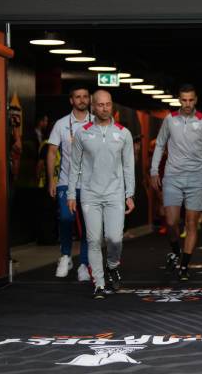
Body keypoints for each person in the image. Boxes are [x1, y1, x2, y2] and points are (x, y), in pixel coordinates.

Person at [67, 90, 135, 299]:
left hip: (115, 194)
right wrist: (71, 193)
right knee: (94, 239)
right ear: (93, 107)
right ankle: (99, 283)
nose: (105, 108)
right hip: (90, 194)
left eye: (108, 104)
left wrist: (129, 193)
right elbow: (74, 165)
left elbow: (128, 166)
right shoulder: (82, 133)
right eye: (100, 105)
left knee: (114, 238)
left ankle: (112, 265)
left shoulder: (124, 133)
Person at [150, 84, 202, 281]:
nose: (187, 104)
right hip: (172, 177)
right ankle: (175, 251)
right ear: (179, 100)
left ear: (195, 100)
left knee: (191, 223)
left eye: (191, 100)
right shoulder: (170, 120)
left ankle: (184, 265)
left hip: (196, 178)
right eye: (184, 100)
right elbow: (160, 144)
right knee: (171, 223)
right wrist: (154, 171)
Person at [47, 84, 91, 281]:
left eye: (85, 96)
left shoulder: (97, 122)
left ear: (89, 99)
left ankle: (84, 263)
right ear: (71, 100)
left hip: (91, 184)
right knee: (66, 219)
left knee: (90, 226)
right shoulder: (61, 124)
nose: (81, 100)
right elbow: (51, 152)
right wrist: (52, 181)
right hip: (66, 182)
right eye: (77, 97)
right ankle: (65, 255)